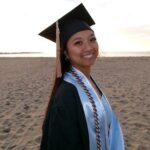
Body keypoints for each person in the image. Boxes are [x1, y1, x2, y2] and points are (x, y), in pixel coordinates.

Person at [39, 3, 124, 150]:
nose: (89, 47)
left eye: (92, 39)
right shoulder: (65, 97)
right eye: (78, 43)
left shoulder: (88, 81)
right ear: (65, 52)